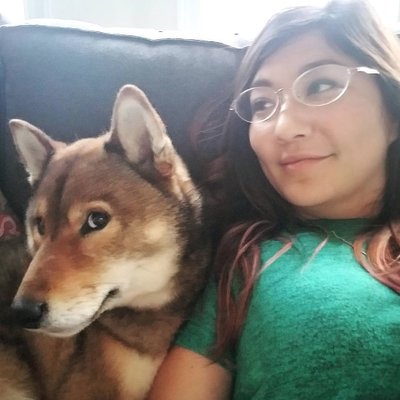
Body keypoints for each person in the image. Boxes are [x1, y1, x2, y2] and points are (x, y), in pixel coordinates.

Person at [147, 0, 400, 398]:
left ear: (392, 108)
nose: (283, 127)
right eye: (262, 104)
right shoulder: (250, 265)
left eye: (320, 85)